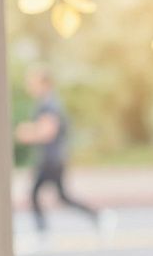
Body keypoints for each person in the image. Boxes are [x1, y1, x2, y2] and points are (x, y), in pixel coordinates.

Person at [14, 64, 104, 235]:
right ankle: (96, 216)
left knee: (37, 194)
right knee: (60, 196)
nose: (30, 86)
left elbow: (48, 131)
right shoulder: (48, 103)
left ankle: (43, 231)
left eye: (33, 82)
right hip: (53, 158)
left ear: (44, 84)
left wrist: (27, 133)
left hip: (51, 159)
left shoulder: (49, 104)